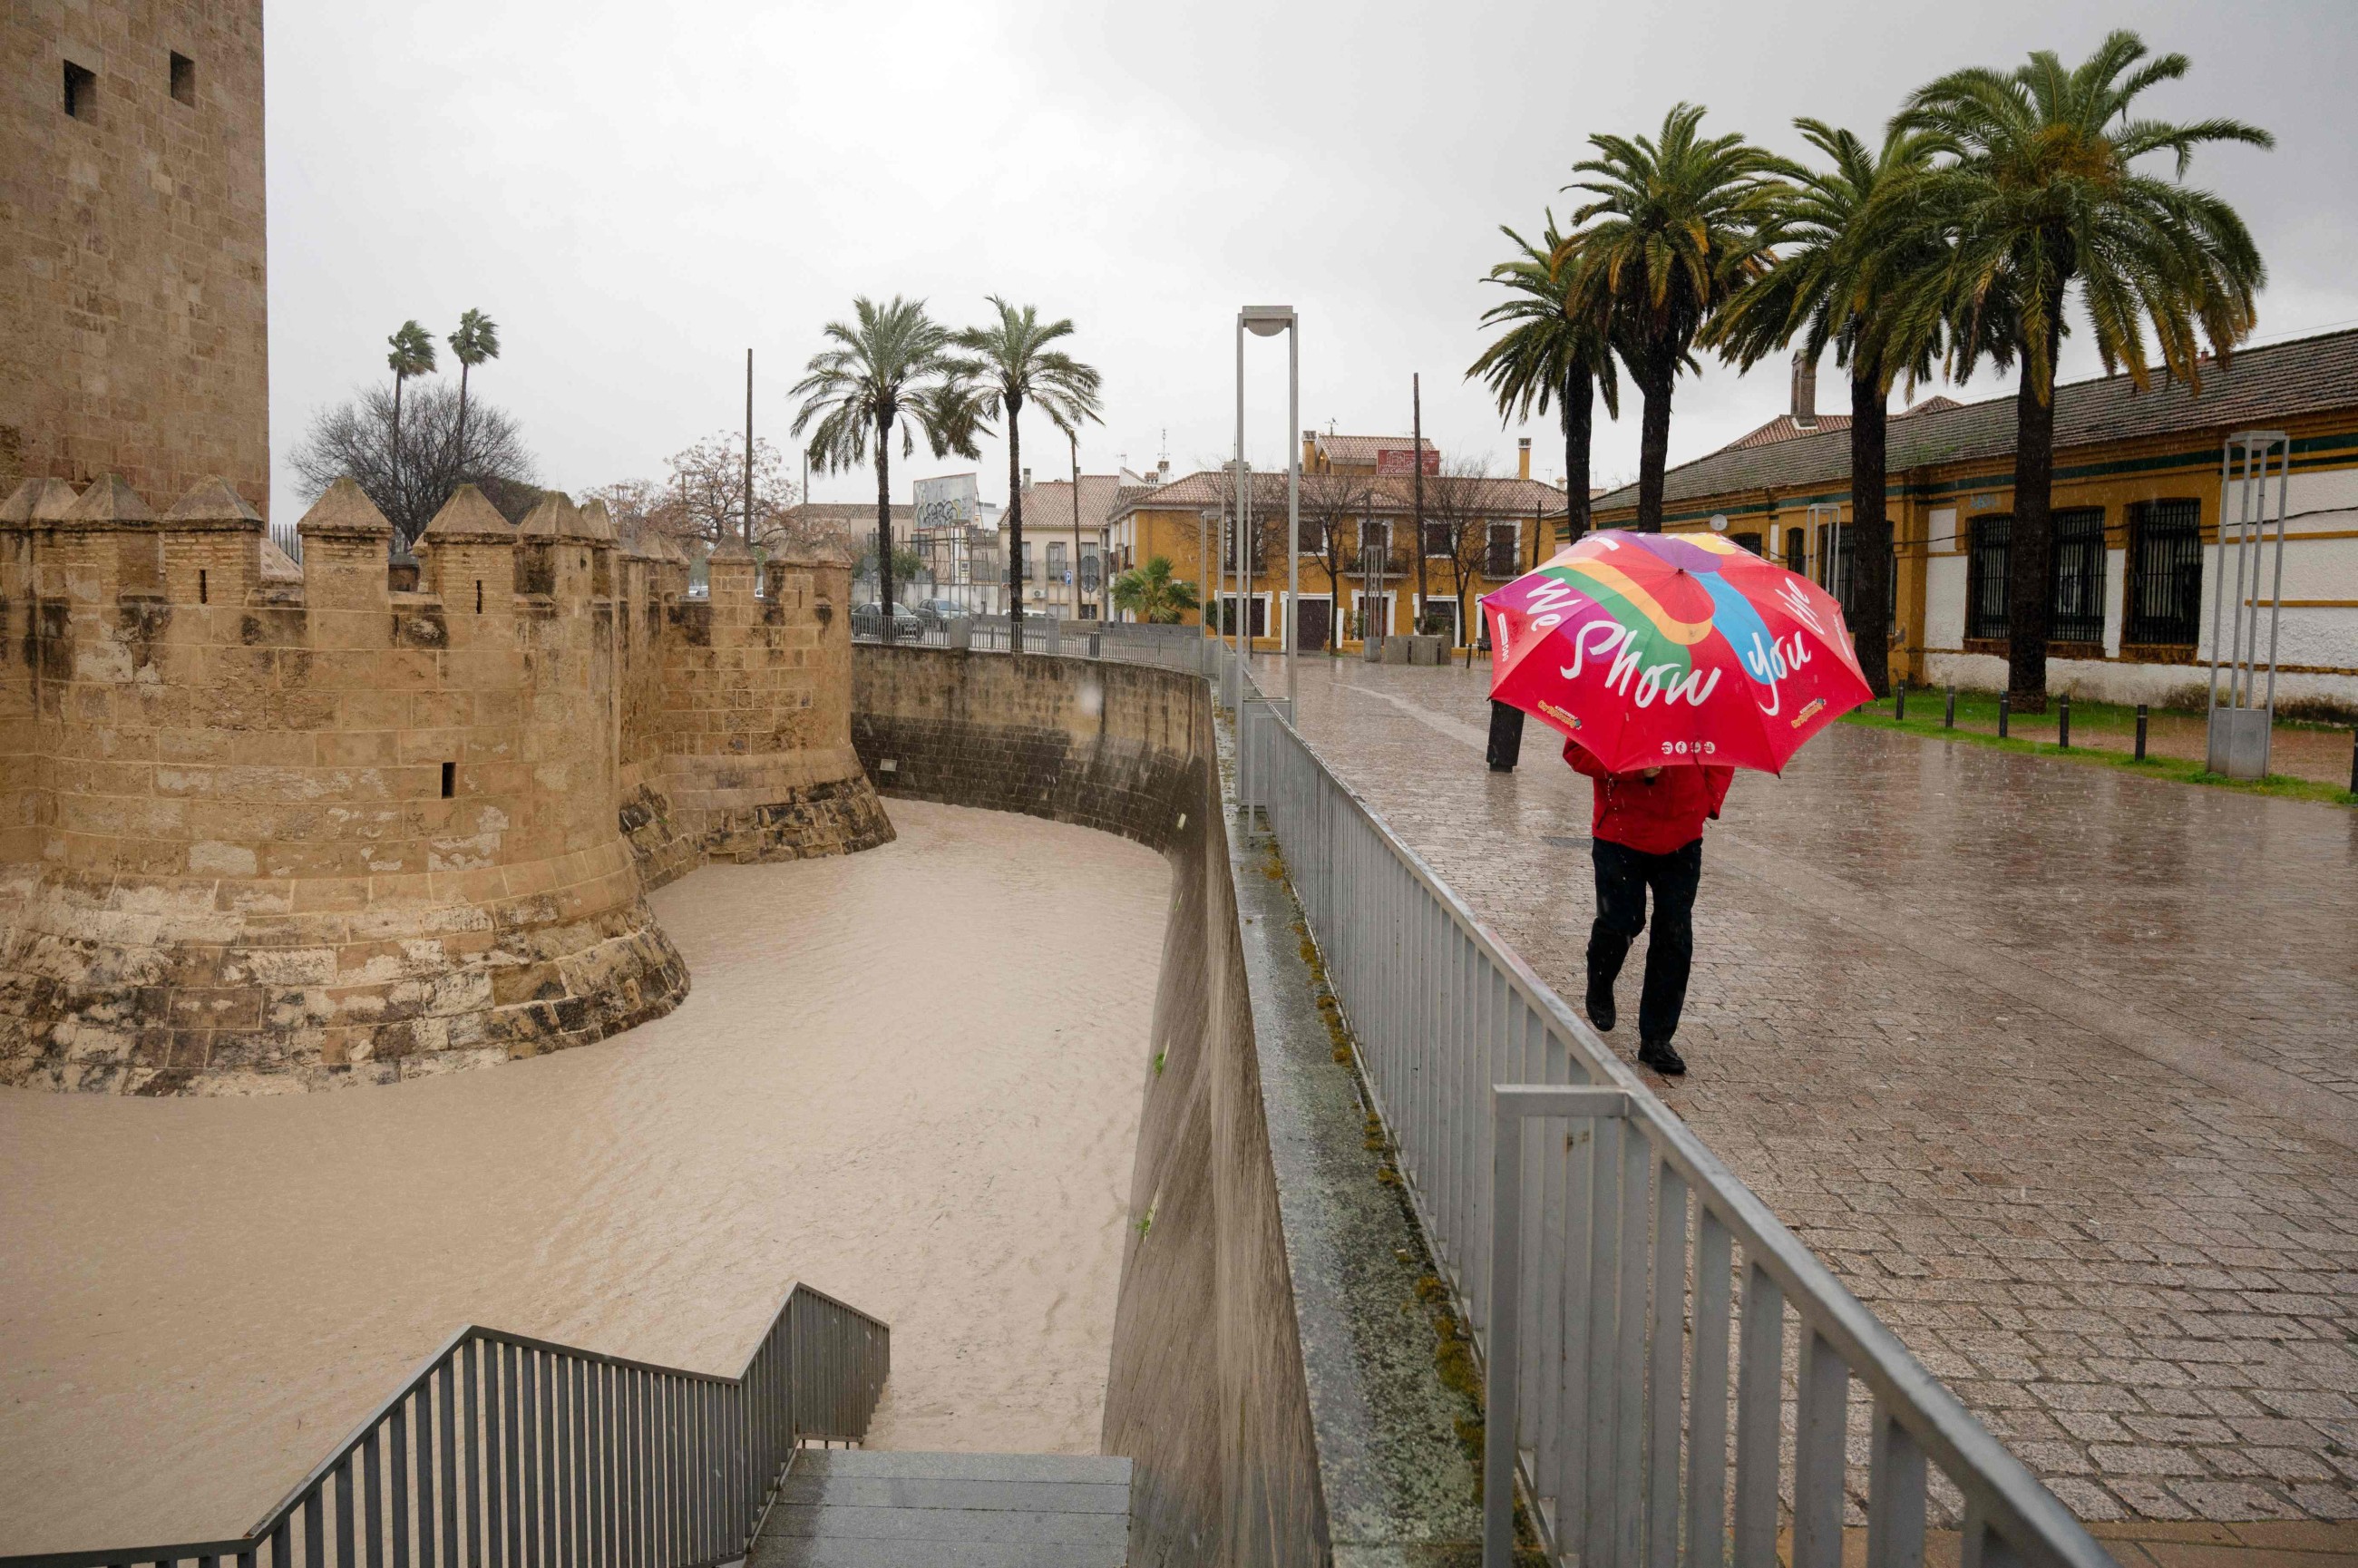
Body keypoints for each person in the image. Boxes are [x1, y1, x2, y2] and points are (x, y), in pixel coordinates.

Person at [1564, 738, 1733, 1076]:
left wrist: (1706, 797)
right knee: (1621, 922)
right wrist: (1631, 769)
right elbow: (1578, 752)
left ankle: (1656, 1038)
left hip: (1683, 837)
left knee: (1674, 935)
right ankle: (1600, 978)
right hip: (1621, 834)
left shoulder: (1705, 697)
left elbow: (1724, 750)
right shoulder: (1618, 689)